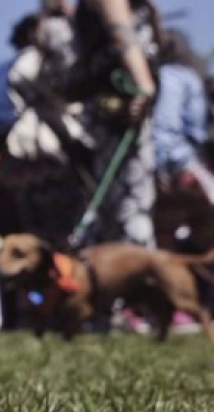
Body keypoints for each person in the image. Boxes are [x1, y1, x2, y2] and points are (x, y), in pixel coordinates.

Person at [67, 0, 164, 248]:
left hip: (110, 110)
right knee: (129, 209)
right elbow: (121, 31)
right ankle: (134, 274)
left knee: (114, 210)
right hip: (119, 110)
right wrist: (144, 84)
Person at [152, 30, 213, 202]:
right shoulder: (182, 78)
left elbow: (165, 129)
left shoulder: (173, 77)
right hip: (185, 165)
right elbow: (167, 129)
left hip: (182, 165)